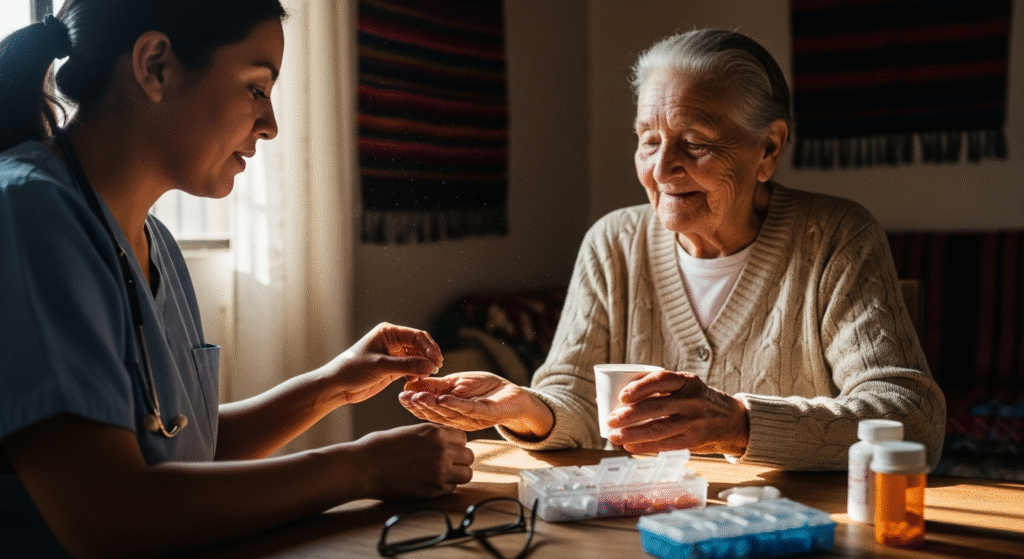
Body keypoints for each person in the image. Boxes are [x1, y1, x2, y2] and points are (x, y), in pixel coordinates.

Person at [0, 2, 473, 557]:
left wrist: (334, 385)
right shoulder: (27, 213)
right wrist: (364, 468)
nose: (270, 125)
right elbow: (113, 515)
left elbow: (184, 450)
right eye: (255, 89)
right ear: (155, 66)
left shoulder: (154, 244)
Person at [400, 29, 946, 471]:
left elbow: (911, 420)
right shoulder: (613, 242)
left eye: (696, 142)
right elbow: (575, 395)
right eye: (649, 140)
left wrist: (738, 422)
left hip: (801, 527)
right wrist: (526, 407)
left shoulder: (836, 237)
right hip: (640, 525)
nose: (661, 170)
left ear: (769, 148)